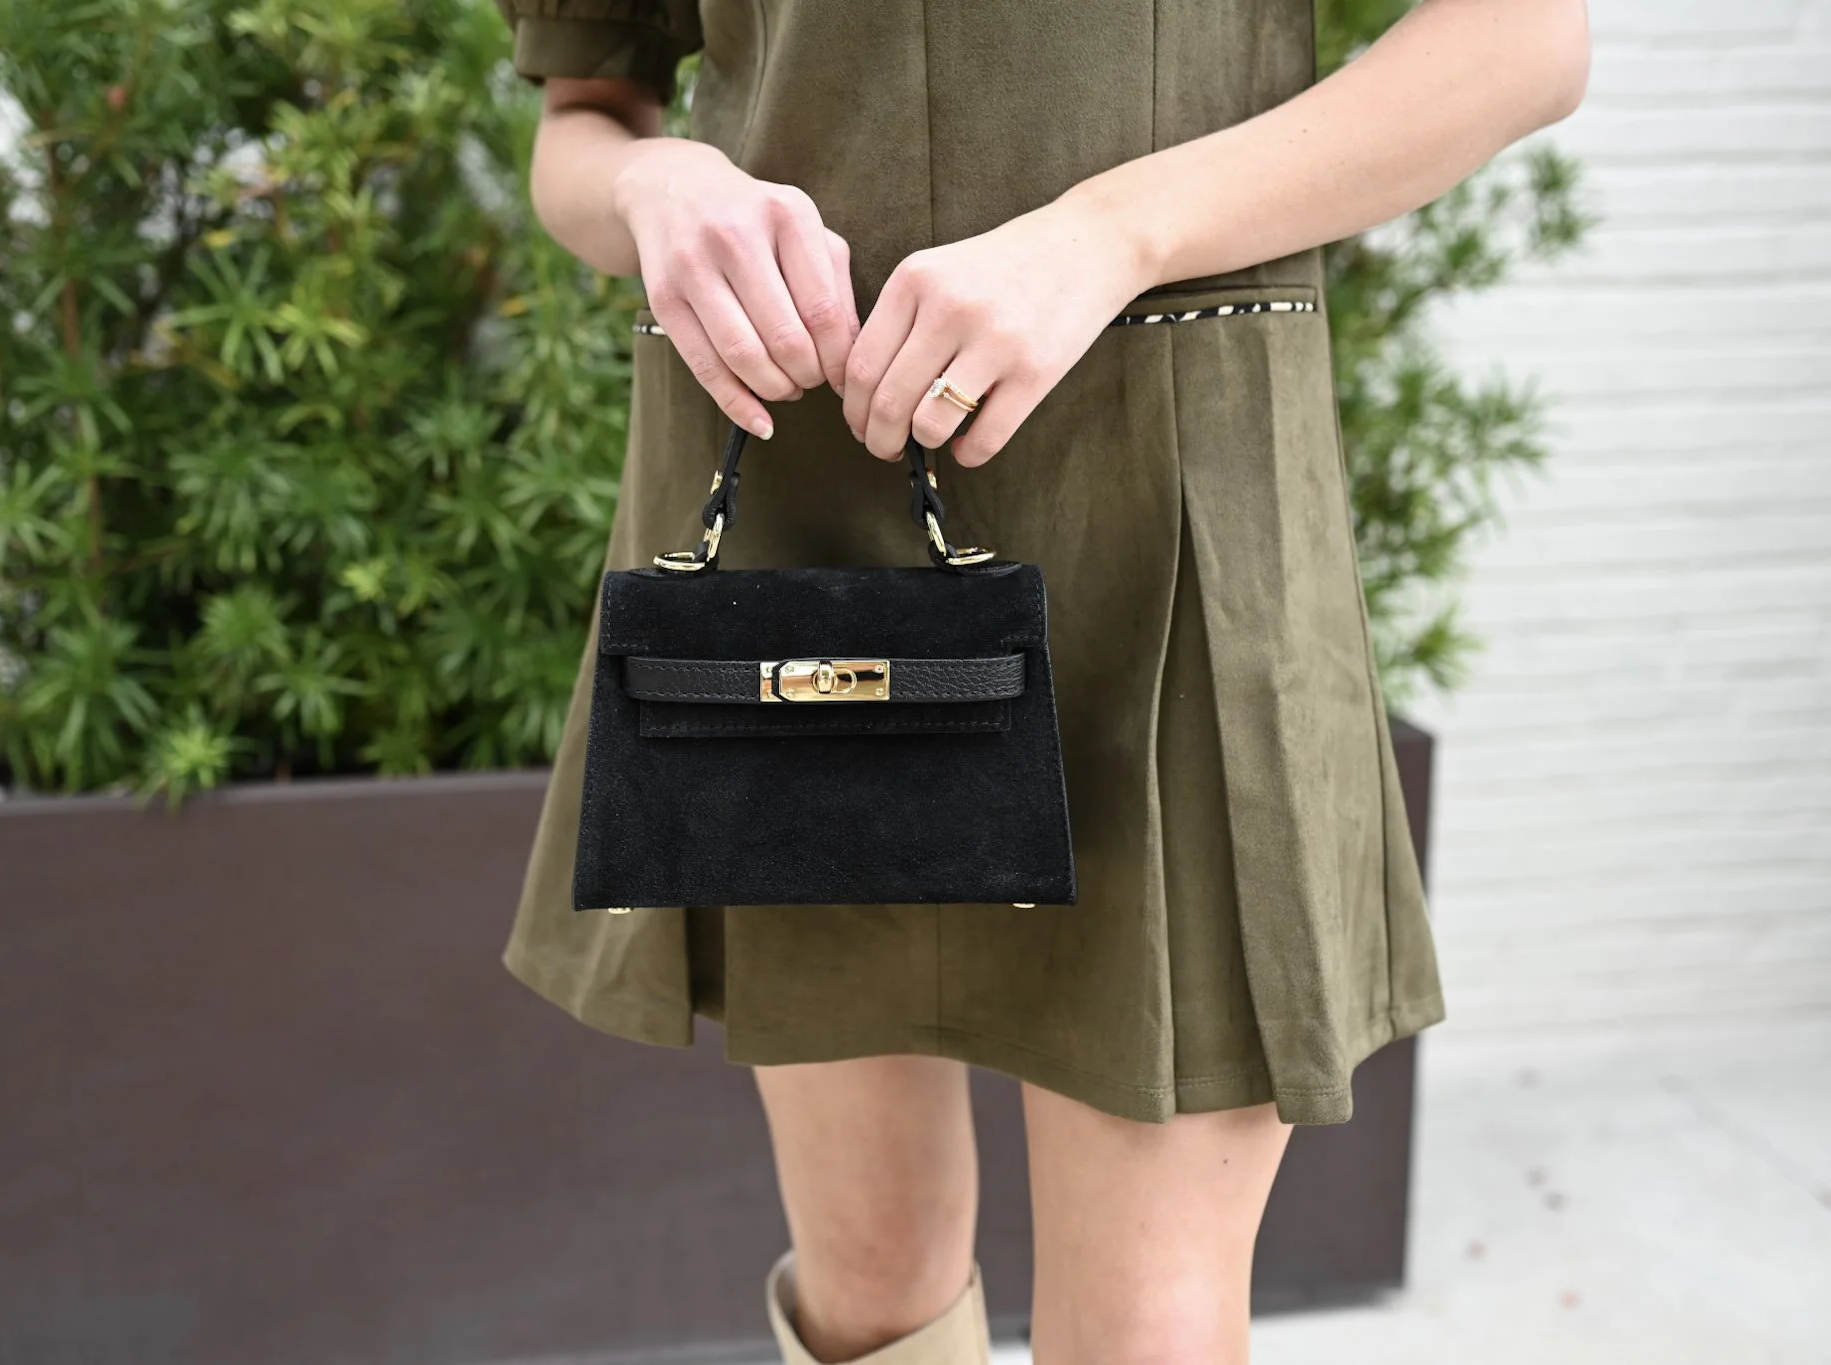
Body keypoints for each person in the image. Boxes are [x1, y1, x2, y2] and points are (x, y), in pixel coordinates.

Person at [494, 1, 1590, 1360]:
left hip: (1171, 495)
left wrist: (1111, 233)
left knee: (1147, 1326)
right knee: (867, 1289)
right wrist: (656, 188)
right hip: (793, 498)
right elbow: (585, 116)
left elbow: (1524, 43)